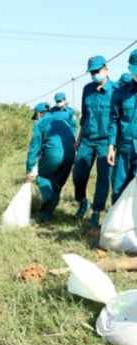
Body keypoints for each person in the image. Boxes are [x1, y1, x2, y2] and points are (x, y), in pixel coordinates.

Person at [71, 55, 115, 227]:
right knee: (78, 175)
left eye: (97, 71)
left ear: (106, 69)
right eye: (92, 72)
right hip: (87, 139)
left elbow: (116, 120)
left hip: (105, 141)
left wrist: (114, 145)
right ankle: (83, 202)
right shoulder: (87, 89)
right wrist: (78, 138)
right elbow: (84, 116)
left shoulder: (115, 91)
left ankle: (96, 212)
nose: (94, 74)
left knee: (103, 178)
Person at [26, 102, 76, 221]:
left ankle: (47, 196)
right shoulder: (63, 119)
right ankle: (47, 214)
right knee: (57, 185)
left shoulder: (41, 123)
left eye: (36, 116)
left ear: (38, 114)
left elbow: (34, 147)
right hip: (70, 155)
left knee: (41, 176)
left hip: (53, 153)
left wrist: (29, 169)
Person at [107, 50, 137, 204]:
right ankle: (117, 226)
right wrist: (111, 147)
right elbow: (113, 121)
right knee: (119, 189)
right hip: (124, 149)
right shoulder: (120, 93)